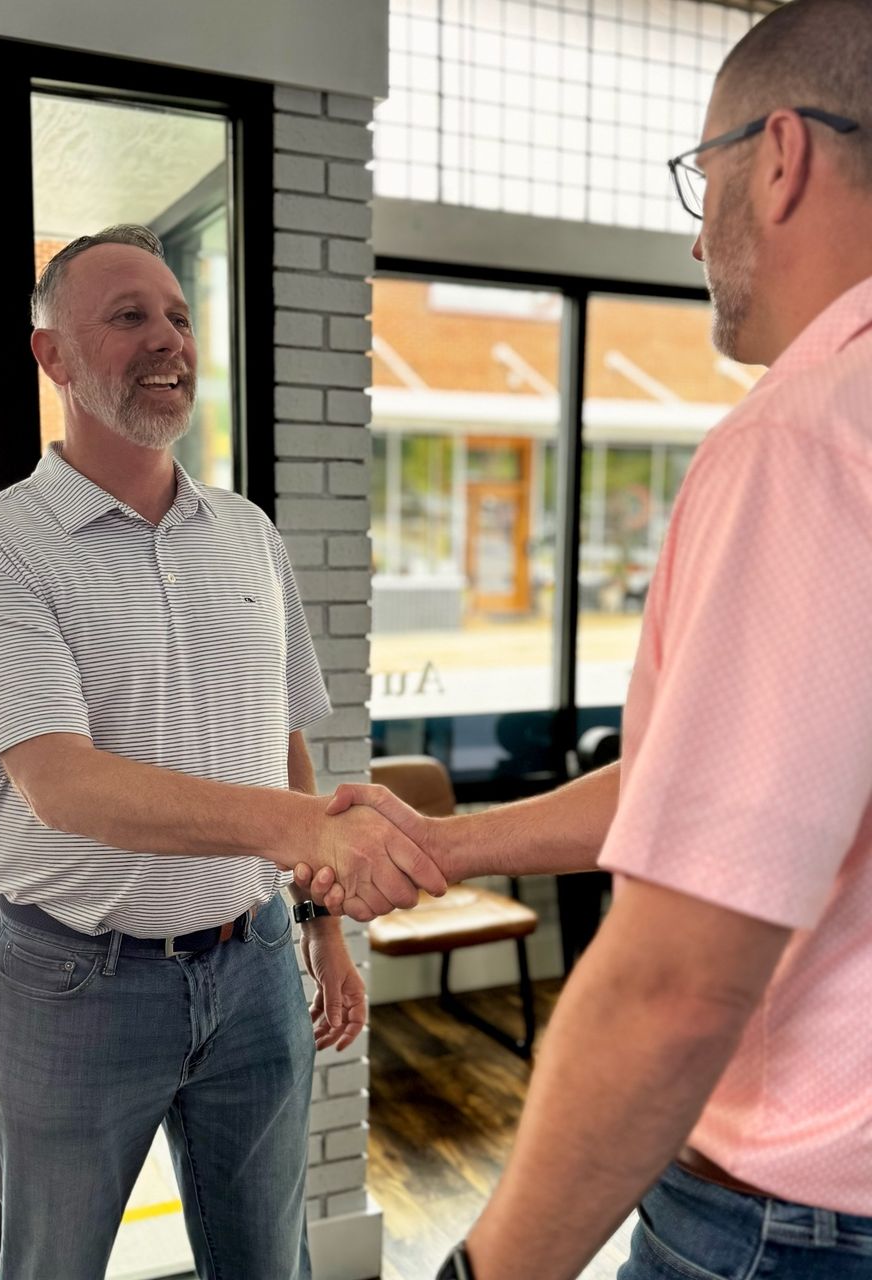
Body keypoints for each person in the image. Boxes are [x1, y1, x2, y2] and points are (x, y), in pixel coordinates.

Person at [296, 2, 872, 1276]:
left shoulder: (807, 437)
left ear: (779, 158)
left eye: (704, 173)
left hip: (796, 1227)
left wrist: (487, 1267)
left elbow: (678, 984)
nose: (695, 224)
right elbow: (723, 791)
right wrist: (447, 844)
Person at [0, 224, 446, 1280]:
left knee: (270, 1263)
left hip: (254, 963)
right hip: (74, 978)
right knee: (50, 1264)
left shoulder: (250, 532)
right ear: (54, 359)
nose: (167, 339)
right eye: (127, 316)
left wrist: (319, 921)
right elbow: (62, 784)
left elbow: (281, 737)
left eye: (177, 314)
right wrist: (312, 830)